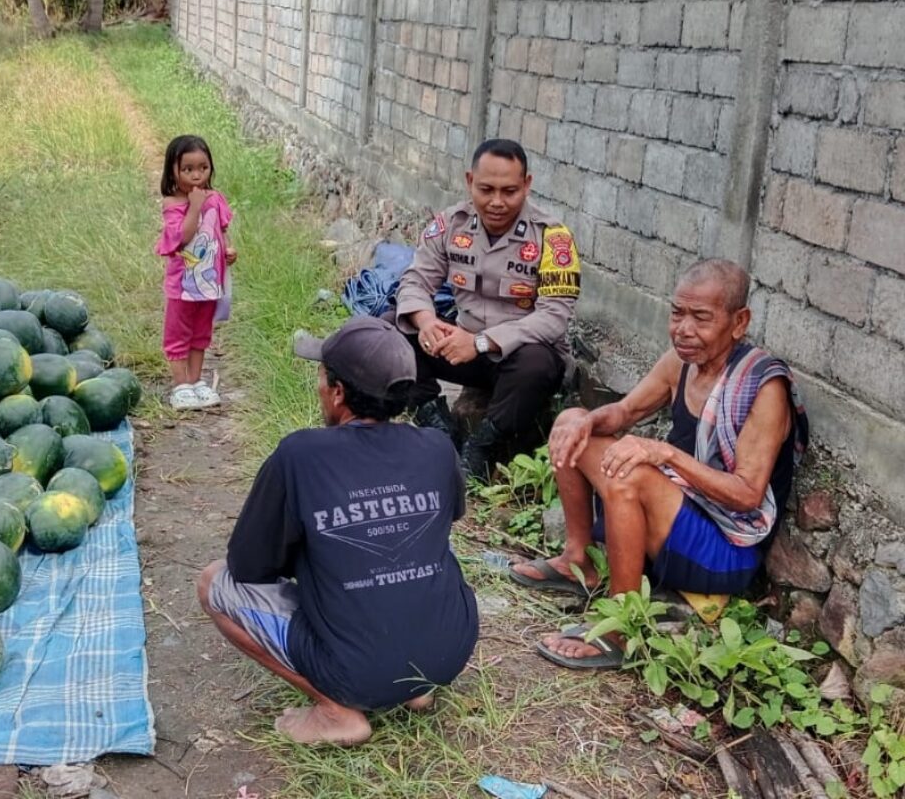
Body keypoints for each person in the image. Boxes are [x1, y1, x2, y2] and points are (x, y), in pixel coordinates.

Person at [510, 259, 809, 670]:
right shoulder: (681, 362)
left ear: (739, 322)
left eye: (701, 317)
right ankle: (579, 559)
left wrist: (665, 453)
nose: (684, 329)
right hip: (677, 517)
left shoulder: (763, 387)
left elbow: (746, 495)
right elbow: (624, 412)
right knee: (571, 422)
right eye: (677, 313)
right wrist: (586, 423)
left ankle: (619, 628)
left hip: (724, 550)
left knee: (633, 475)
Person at [196, 316, 479, 745]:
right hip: (451, 652)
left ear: (339, 392)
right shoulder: (437, 447)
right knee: (425, 541)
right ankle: (415, 688)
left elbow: (248, 568)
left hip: (358, 669)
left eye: (322, 377)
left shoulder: (300, 454)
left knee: (213, 583)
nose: (319, 387)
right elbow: (449, 518)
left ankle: (336, 711)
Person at [395, 138, 581, 480]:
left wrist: (480, 343)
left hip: (517, 360)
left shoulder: (553, 237)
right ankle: (437, 424)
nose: (497, 202)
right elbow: (415, 281)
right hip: (462, 349)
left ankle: (483, 446)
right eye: (486, 189)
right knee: (390, 330)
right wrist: (426, 322)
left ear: (527, 184)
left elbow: (554, 317)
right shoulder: (451, 224)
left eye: (509, 191)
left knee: (538, 362)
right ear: (470, 181)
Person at [155, 134, 237, 410]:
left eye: (203, 167)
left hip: (209, 283)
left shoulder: (215, 198)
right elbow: (182, 237)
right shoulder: (172, 204)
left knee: (201, 333)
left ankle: (195, 380)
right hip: (182, 285)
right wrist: (195, 206)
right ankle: (181, 385)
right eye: (187, 169)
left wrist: (229, 250)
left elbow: (221, 230)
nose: (196, 175)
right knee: (178, 333)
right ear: (173, 171)